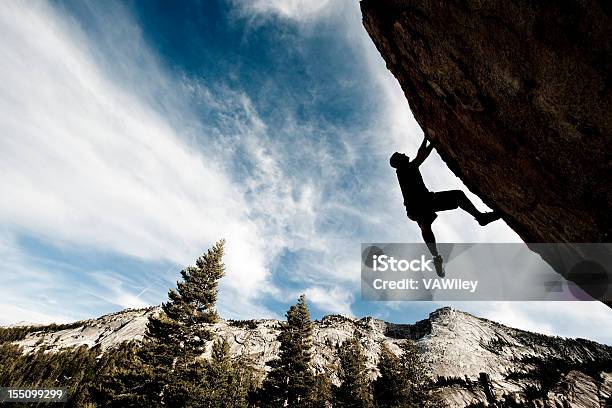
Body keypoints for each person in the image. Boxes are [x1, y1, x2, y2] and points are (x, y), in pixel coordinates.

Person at [390, 136, 501, 277]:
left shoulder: (406, 169)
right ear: (399, 162)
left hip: (419, 204)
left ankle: (436, 257)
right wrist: (431, 141)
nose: (404, 154)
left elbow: (419, 155)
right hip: (421, 203)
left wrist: (427, 139)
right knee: (454, 199)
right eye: (401, 155)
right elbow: (421, 156)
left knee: (427, 224)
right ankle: (480, 217)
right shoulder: (404, 170)